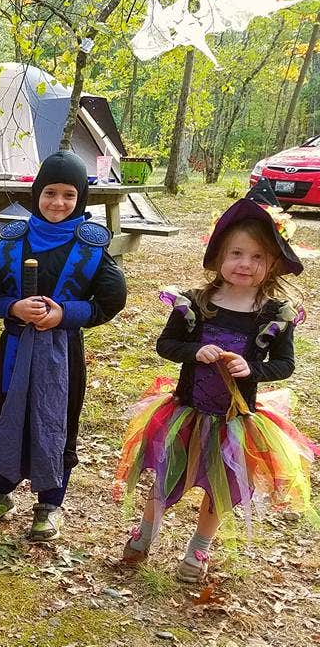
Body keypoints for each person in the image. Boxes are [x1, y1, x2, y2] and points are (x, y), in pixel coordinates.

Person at [116, 185, 317, 582]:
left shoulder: (276, 315)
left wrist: (251, 368)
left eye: (257, 256)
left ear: (274, 263)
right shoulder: (194, 304)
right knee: (167, 477)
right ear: (219, 256)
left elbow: (284, 364)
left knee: (218, 487)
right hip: (187, 412)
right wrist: (194, 351)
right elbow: (166, 345)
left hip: (235, 421)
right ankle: (147, 532)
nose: (245, 263)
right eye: (236, 253)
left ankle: (198, 551)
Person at [0, 150, 127, 542]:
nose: (58, 203)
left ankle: (50, 502)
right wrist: (14, 307)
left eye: (68, 195)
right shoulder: (12, 242)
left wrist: (67, 314)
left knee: (57, 420)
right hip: (15, 349)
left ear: (81, 200)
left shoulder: (90, 248)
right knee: (9, 413)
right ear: (37, 194)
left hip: (63, 354)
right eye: (50, 193)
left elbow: (111, 300)